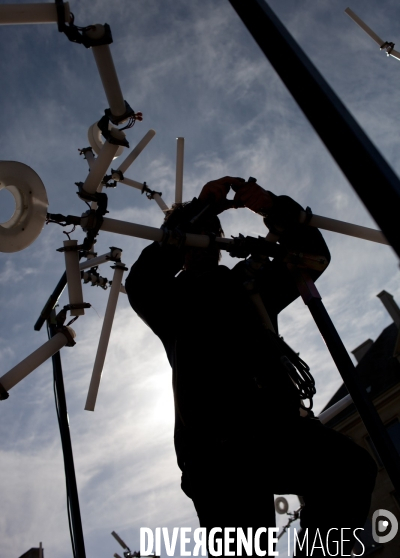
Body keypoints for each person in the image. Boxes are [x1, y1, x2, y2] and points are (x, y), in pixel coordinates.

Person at [125, 177, 377, 557]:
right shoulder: (169, 299)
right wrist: (201, 208)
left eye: (213, 230)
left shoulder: (249, 282)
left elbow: (313, 255)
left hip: (275, 429)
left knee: (349, 471)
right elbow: (141, 281)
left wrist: (272, 206)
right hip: (216, 453)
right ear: (178, 245)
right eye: (196, 233)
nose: (206, 239)